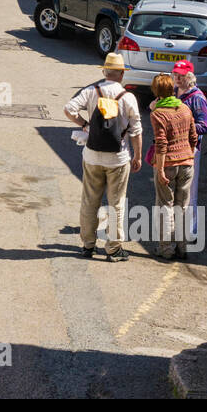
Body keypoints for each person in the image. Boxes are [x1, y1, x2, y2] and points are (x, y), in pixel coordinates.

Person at [65, 52, 144, 262]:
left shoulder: (91, 91)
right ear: (121, 74)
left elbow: (68, 109)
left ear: (104, 72)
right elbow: (136, 130)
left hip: (92, 155)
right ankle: (113, 248)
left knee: (90, 201)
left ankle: (88, 244)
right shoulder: (128, 97)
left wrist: (85, 125)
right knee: (116, 203)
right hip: (118, 158)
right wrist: (137, 156)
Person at [148, 72, 199, 260]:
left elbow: (161, 144)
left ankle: (166, 249)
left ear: (156, 92)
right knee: (182, 206)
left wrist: (160, 169)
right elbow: (193, 137)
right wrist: (188, 155)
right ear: (172, 89)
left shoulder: (158, 114)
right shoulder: (185, 108)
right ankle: (182, 247)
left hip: (168, 164)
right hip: (187, 164)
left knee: (165, 206)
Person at [171, 60, 207, 239]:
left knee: (189, 191)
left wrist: (183, 126)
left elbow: (205, 126)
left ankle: (190, 231)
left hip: (190, 150)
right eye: (175, 75)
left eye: (181, 76)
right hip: (174, 148)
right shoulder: (173, 92)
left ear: (190, 77)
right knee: (175, 190)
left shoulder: (198, 98)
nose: (177, 78)